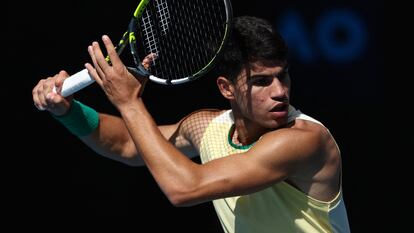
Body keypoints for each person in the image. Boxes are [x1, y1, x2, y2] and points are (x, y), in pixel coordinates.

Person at [32, 16, 350, 233]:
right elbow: (130, 145)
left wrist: (130, 102)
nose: (280, 91)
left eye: (283, 76)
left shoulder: (303, 139)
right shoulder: (206, 127)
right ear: (226, 88)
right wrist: (69, 111)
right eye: (262, 81)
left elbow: (185, 188)